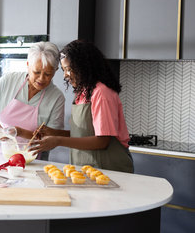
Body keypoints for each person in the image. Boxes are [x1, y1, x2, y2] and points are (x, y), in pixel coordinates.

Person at [30, 40, 134, 173]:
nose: (65, 75)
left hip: (109, 171)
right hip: (87, 169)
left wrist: (58, 140)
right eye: (64, 70)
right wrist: (53, 133)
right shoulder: (82, 93)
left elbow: (102, 141)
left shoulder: (101, 93)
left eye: (68, 69)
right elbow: (82, 134)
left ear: (84, 66)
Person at [0, 41, 65, 162]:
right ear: (28, 64)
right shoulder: (9, 80)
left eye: (47, 74)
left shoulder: (57, 98)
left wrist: (19, 132)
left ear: (56, 70)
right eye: (36, 72)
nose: (41, 78)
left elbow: (52, 139)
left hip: (30, 161)